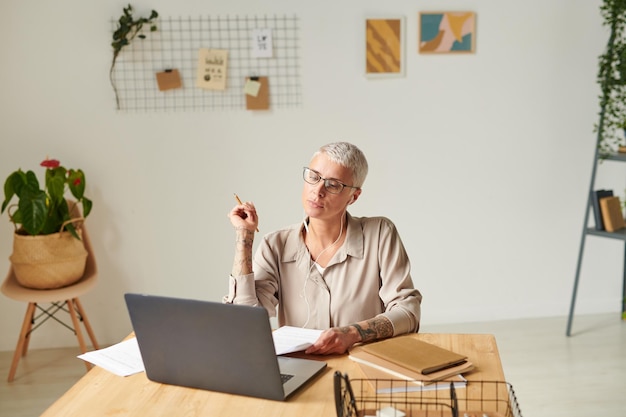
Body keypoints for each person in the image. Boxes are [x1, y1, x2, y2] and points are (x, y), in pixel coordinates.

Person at [225, 142, 421, 355]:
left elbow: (408, 311)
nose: (318, 191)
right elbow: (244, 323)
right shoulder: (276, 245)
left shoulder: (380, 233)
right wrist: (245, 236)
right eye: (314, 177)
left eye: (333, 184)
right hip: (299, 367)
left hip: (362, 369)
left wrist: (353, 333)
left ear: (353, 197)